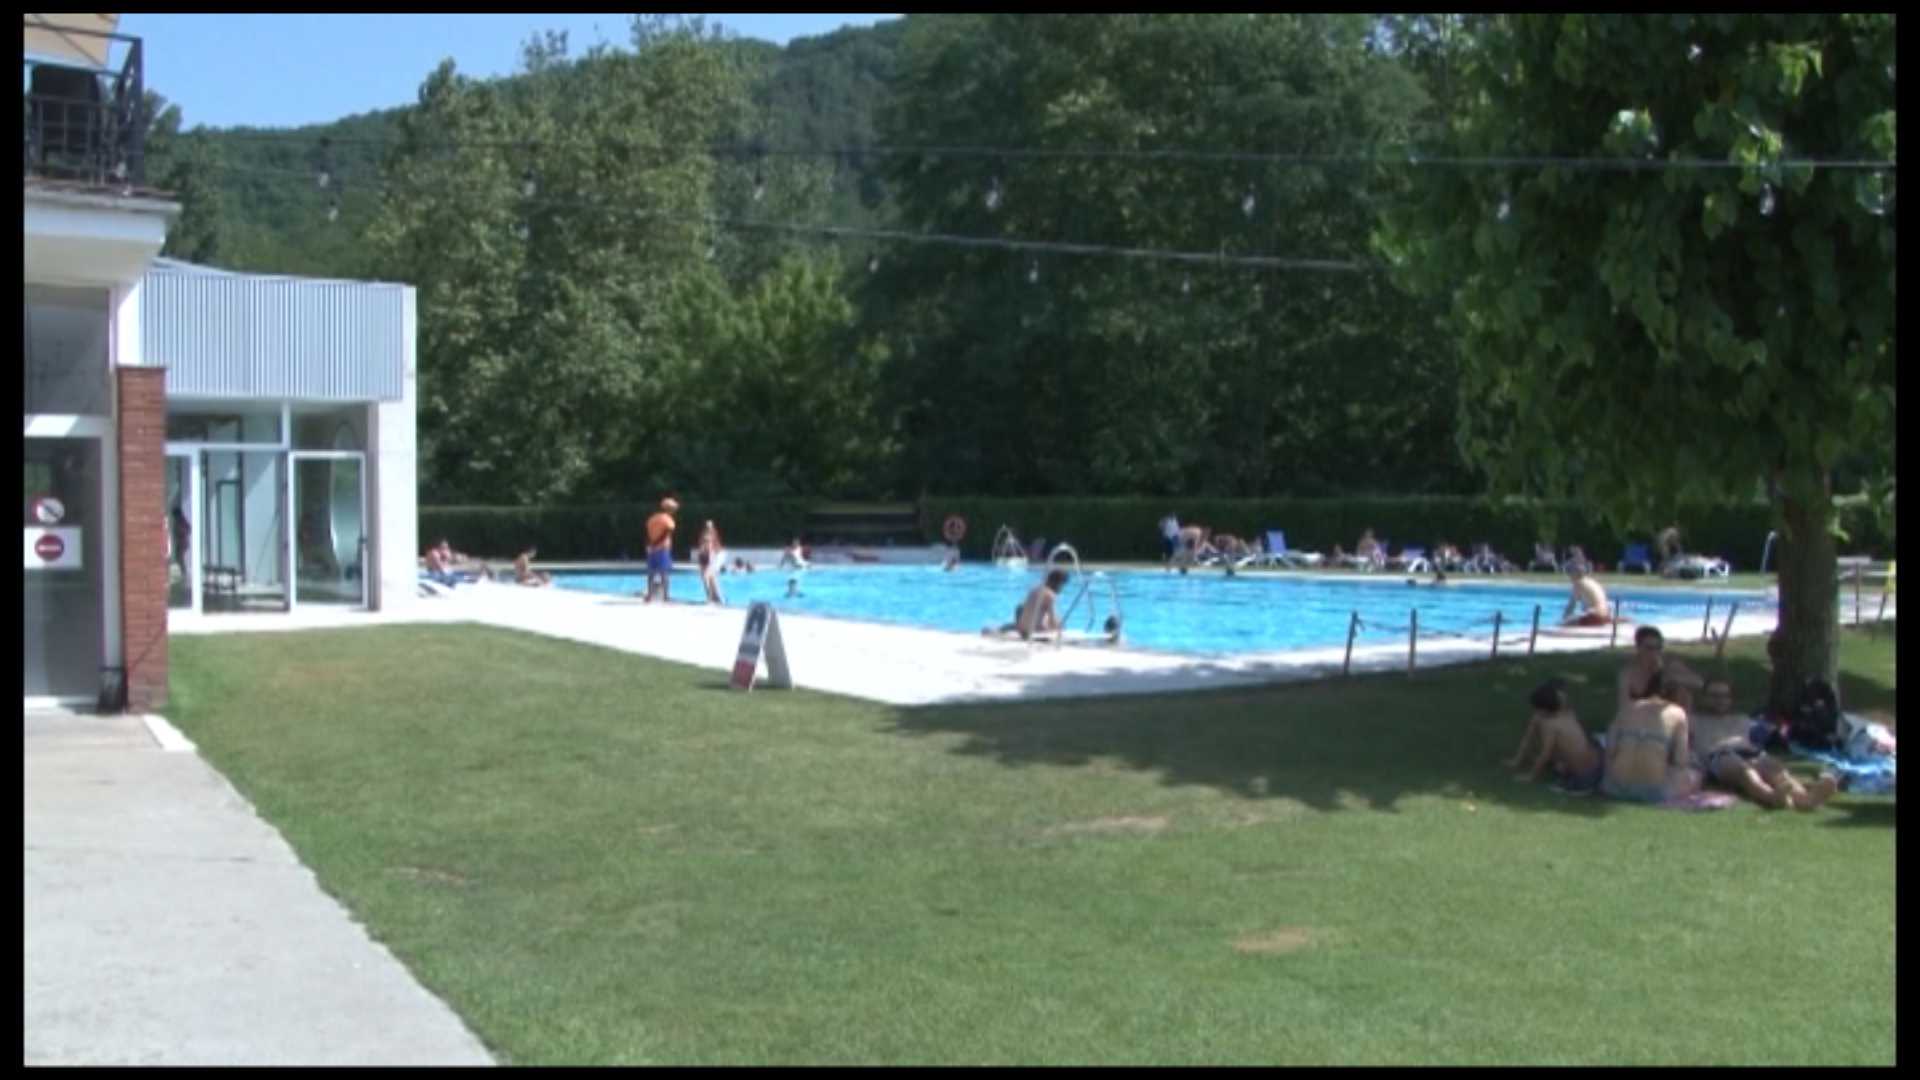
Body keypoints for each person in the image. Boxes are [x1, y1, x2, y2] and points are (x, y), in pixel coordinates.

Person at [1690, 678, 1837, 810]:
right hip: (1719, 756)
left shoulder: (1741, 719)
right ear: (1703, 697)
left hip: (1751, 753)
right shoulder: (1693, 720)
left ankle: (1807, 799)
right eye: (1714, 695)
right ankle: (1771, 797)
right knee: (1746, 771)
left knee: (1775, 768)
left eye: (1725, 696)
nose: (1720, 700)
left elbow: (1771, 735)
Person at [1601, 670, 1702, 804]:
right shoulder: (1678, 713)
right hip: (1654, 793)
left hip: (1614, 788)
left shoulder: (1627, 708)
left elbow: (1609, 751)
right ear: (1678, 693)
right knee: (1696, 773)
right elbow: (1680, 762)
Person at [1506, 679, 1605, 793]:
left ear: (1542, 709)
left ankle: (1563, 768)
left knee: (1558, 750)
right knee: (1587, 744)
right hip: (1599, 763)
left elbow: (1545, 753)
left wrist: (1531, 776)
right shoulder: (1568, 714)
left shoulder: (1550, 725)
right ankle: (1562, 764)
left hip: (1584, 777)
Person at [1616, 626, 1704, 713]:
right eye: (1649, 648)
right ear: (1638, 648)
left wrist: (1668, 675)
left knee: (1683, 693)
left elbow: (1698, 682)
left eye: (1658, 648)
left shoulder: (1669, 664)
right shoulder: (1628, 672)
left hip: (1667, 713)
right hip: (1640, 714)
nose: (1654, 653)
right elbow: (1624, 705)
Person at [644, 497, 679, 603]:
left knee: (651, 573)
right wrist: (655, 544)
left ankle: (650, 595)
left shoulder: (652, 518)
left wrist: (650, 545)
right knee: (664, 573)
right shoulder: (669, 520)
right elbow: (665, 534)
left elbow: (648, 534)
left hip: (651, 549)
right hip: (663, 548)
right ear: (670, 509)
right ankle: (666, 596)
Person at [1560, 561, 1612, 626]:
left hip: (1595, 616)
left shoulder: (1578, 583)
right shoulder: (1591, 581)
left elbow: (1571, 606)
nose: (1569, 576)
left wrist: (1563, 620)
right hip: (1606, 615)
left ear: (1574, 574)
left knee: (1565, 624)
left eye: (1569, 573)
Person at [696, 520, 724, 605]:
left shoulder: (710, 536)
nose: (708, 528)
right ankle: (716, 597)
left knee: (707, 577)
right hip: (706, 557)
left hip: (711, 557)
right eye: (707, 526)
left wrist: (711, 561)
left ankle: (711, 597)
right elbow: (702, 549)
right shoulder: (706, 536)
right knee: (710, 578)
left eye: (709, 526)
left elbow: (712, 550)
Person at [169, 501, 191, 580]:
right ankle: (182, 574)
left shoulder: (181, 520)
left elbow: (188, 528)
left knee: (180, 559)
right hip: (180, 543)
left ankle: (184, 574)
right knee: (179, 559)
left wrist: (181, 533)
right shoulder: (179, 520)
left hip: (182, 543)